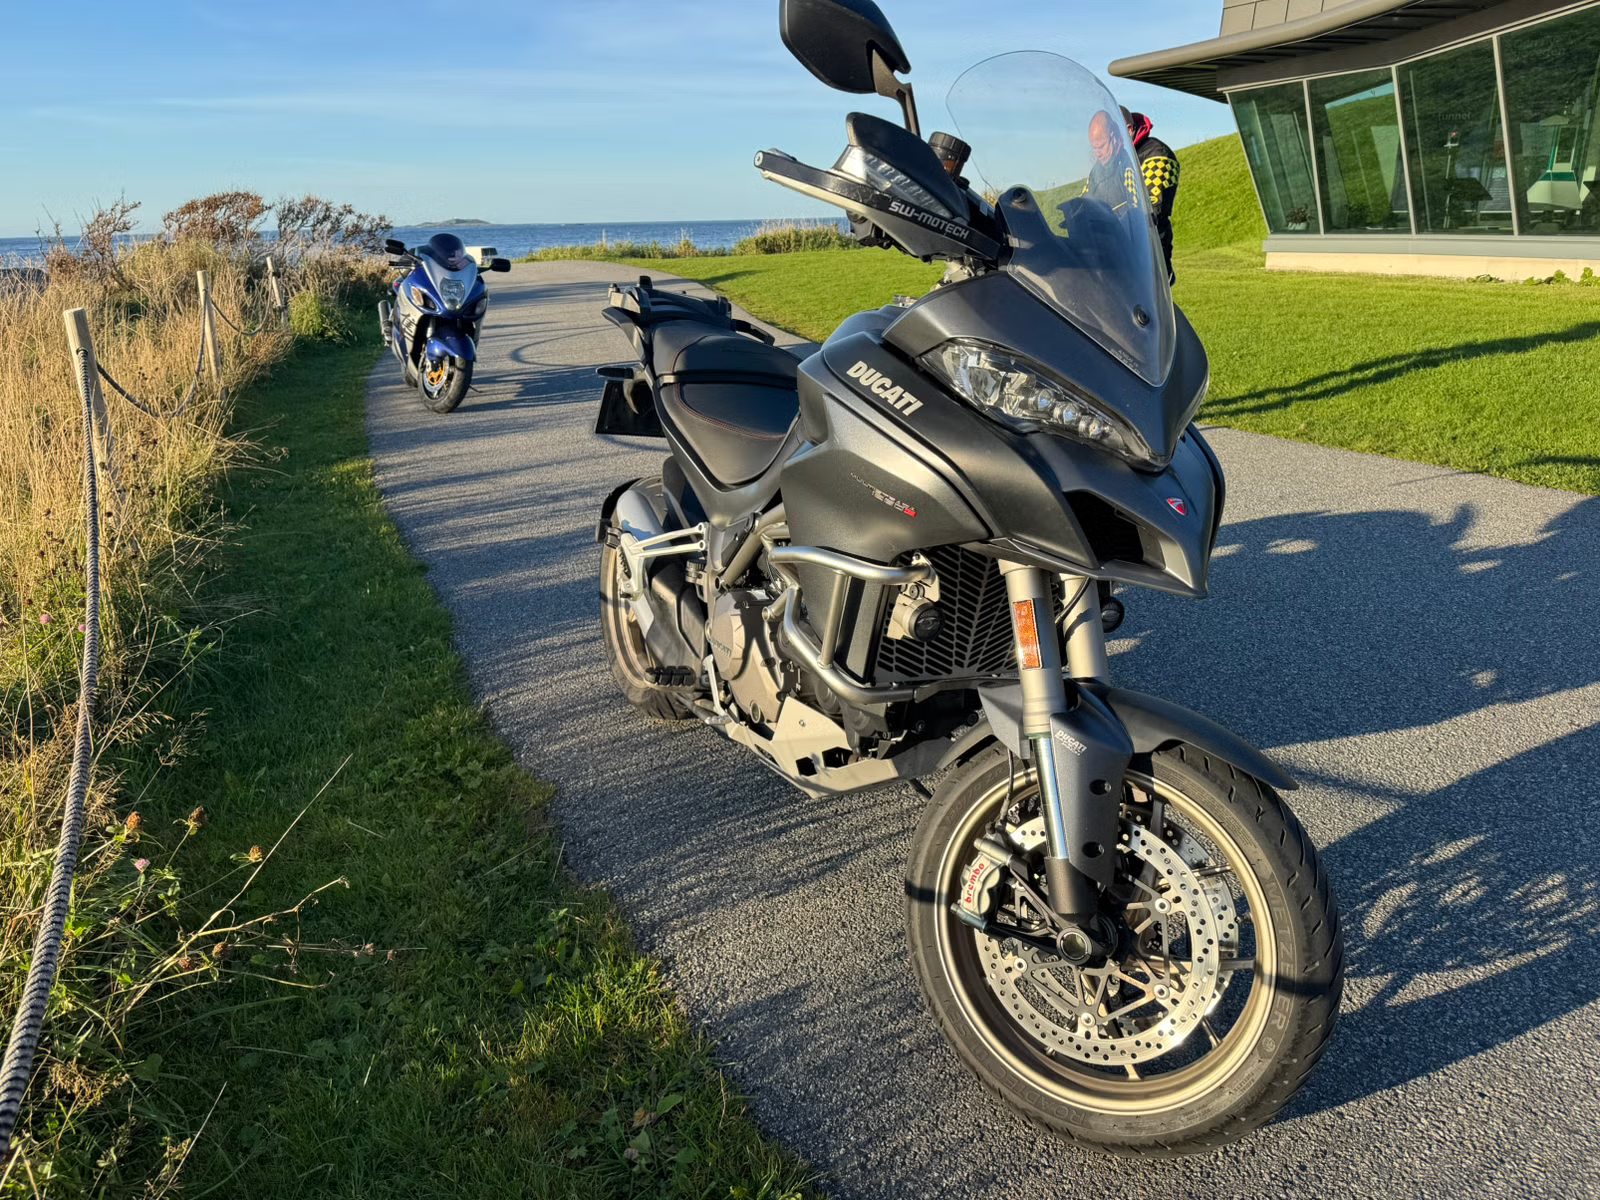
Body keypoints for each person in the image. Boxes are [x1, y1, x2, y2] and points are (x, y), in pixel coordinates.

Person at [1122, 106, 1180, 283]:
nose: (1099, 150)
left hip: (1149, 258)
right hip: (1118, 257)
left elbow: (1150, 211)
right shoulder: (1114, 158)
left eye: (1112, 134)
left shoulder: (1156, 154)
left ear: (1128, 130)